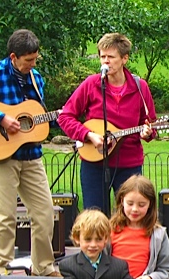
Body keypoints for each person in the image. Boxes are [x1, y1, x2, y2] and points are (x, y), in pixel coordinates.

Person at [0, 29, 58, 277]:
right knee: (4, 216)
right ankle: (0, 267)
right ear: (14, 57)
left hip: (31, 156)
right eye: (28, 60)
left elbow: (36, 118)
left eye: (35, 59)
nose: (32, 64)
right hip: (1, 158)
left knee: (45, 213)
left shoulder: (36, 78)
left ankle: (43, 266)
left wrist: (59, 117)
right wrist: (0, 119)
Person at [58, 33, 157, 211]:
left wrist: (148, 133)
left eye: (110, 57)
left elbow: (150, 123)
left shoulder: (140, 87)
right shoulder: (91, 84)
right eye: (102, 57)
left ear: (124, 58)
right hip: (94, 163)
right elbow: (65, 116)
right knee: (95, 217)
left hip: (128, 164)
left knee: (129, 216)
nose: (105, 62)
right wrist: (88, 135)